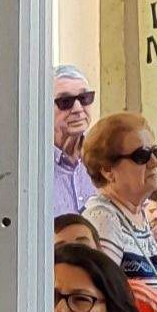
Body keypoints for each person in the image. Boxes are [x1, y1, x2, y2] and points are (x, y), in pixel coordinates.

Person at [81, 111, 157, 281]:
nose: (154, 162)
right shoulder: (104, 219)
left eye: (156, 151)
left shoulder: (138, 213)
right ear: (108, 171)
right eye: (141, 156)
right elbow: (103, 292)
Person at [48, 66, 101, 216]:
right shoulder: (26, 168)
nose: (78, 109)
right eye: (65, 101)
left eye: (85, 98)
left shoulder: (108, 159)